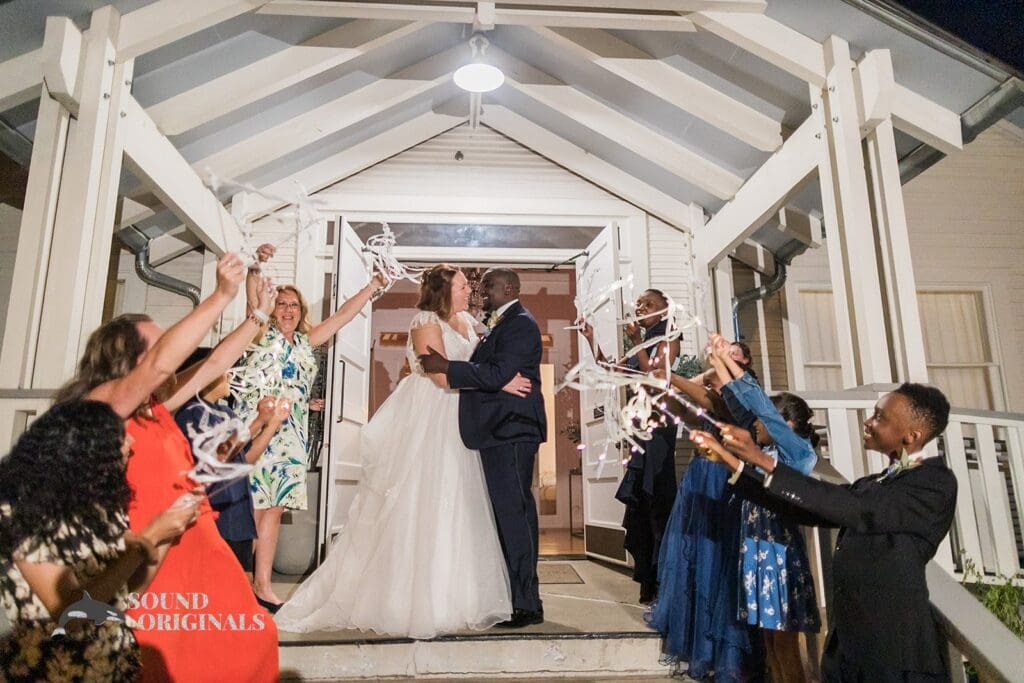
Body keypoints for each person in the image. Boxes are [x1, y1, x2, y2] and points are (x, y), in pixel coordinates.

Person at [54, 253, 282, 683]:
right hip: (153, 551)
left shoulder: (155, 407)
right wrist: (221, 294)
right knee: (170, 657)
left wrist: (258, 316)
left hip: (200, 545)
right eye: (160, 345)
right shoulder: (104, 410)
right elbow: (161, 363)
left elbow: (214, 364)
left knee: (253, 639)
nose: (172, 353)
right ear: (125, 361)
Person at [275, 264, 530, 638]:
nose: (469, 291)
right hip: (431, 414)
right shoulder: (425, 321)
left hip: (461, 415)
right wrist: (499, 384)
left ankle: (458, 596)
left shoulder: (469, 322)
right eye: (462, 285)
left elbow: (482, 363)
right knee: (423, 501)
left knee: (461, 502)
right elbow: (440, 376)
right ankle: (410, 599)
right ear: (444, 290)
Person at [693, 383, 957, 683]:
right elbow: (810, 509)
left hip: (893, 655)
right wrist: (734, 463)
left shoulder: (934, 484)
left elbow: (853, 507)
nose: (868, 422)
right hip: (849, 646)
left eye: (879, 417)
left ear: (912, 435)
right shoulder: (873, 483)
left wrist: (762, 459)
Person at [0, 401, 195, 682]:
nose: (131, 442)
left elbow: (124, 596)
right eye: (120, 435)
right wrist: (150, 536)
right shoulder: (25, 510)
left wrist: (168, 533)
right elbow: (71, 615)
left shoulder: (100, 507)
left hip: (111, 669)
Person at [237, 244, 385, 611]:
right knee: (251, 510)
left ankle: (263, 585)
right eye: (281, 304)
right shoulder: (260, 333)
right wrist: (256, 266)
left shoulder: (306, 343)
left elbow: (344, 316)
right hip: (257, 431)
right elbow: (252, 298)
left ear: (302, 312)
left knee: (274, 511)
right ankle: (237, 585)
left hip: (291, 437)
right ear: (273, 308)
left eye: (294, 305)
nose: (287, 310)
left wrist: (372, 286)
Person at [419, 267, 547, 628]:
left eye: (488, 285)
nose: (481, 291)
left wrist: (447, 366)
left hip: (511, 429)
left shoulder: (520, 324)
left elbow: (497, 373)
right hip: (498, 430)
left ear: (509, 288)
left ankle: (527, 604)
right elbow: (496, 374)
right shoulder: (500, 323)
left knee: (515, 516)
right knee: (507, 515)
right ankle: (514, 597)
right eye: (475, 286)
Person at [645, 341, 762, 681]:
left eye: (735, 352)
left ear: (747, 361)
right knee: (693, 555)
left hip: (725, 476)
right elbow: (683, 408)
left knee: (717, 556)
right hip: (700, 475)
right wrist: (671, 381)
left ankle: (719, 649)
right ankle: (696, 630)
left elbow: (714, 403)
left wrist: (676, 377)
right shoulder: (710, 387)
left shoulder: (745, 390)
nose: (727, 354)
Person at [708, 334, 820, 682]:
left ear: (785, 425)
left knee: (785, 645)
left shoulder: (796, 453)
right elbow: (741, 404)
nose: (755, 425)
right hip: (758, 552)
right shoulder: (767, 451)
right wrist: (719, 361)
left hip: (779, 555)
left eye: (762, 422)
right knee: (769, 643)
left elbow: (760, 407)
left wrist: (729, 360)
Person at [582, 289, 681, 603]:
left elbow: (656, 379)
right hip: (640, 427)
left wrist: (637, 339)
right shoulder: (643, 341)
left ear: (664, 310)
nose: (640, 308)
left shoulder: (669, 338)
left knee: (657, 501)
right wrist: (591, 338)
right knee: (640, 505)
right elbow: (610, 368)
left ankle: (661, 581)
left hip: (660, 427)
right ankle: (647, 579)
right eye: (639, 304)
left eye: (649, 304)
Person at [174, 348, 290, 577]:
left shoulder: (226, 412)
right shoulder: (191, 414)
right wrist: (256, 423)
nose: (229, 375)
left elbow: (245, 458)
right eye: (223, 370)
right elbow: (217, 457)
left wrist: (272, 423)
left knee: (241, 587)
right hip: (216, 519)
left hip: (239, 519)